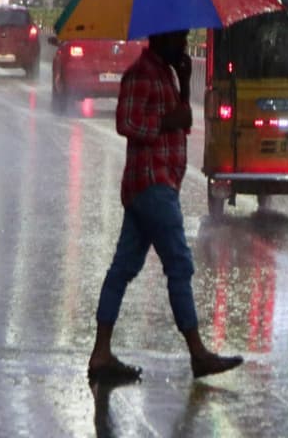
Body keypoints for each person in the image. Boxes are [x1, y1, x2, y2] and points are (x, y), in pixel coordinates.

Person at [87, 29, 243, 384]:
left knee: (123, 268)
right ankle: (197, 352)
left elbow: (181, 121)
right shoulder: (141, 74)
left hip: (158, 184)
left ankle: (101, 353)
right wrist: (165, 122)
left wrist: (184, 84)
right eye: (180, 39)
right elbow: (126, 122)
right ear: (162, 38)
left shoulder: (166, 75)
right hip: (152, 184)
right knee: (179, 264)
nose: (184, 45)